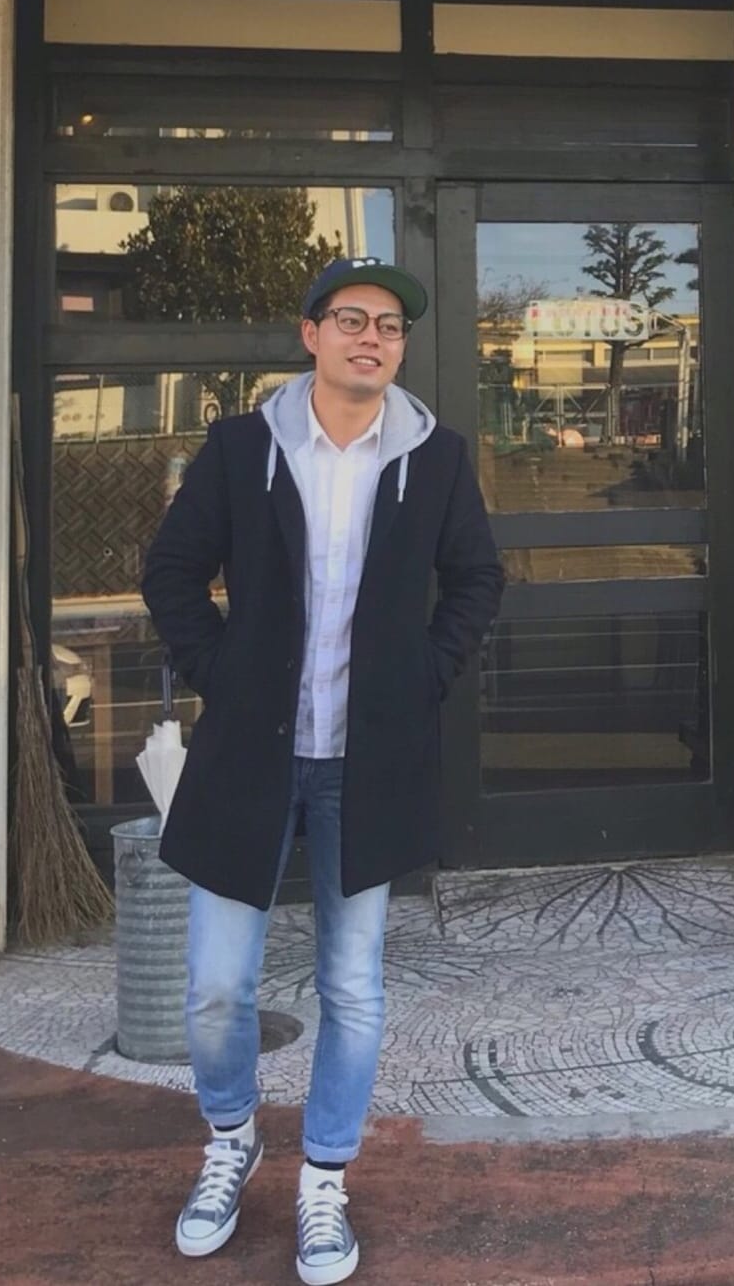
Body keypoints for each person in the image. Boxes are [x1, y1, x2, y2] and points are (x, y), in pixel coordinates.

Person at [142, 256, 504, 1284]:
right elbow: (171, 571)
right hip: (248, 755)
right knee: (217, 987)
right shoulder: (242, 448)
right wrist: (222, 673)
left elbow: (477, 578)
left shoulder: (435, 458)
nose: (371, 337)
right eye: (351, 318)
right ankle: (230, 1139)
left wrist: (423, 676)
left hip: (365, 762)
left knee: (352, 984)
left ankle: (325, 1177)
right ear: (310, 334)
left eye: (389, 325)